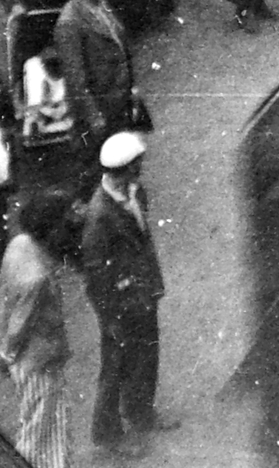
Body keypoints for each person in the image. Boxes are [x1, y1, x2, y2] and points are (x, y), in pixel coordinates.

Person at [80, 132, 178, 458]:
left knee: (147, 353)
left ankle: (141, 412)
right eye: (137, 166)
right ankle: (108, 434)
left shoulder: (134, 194)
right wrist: (108, 318)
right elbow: (96, 277)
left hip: (142, 294)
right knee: (116, 366)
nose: (141, 171)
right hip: (119, 305)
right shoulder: (99, 218)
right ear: (123, 170)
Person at [0, 191, 73, 468]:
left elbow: (6, 303)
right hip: (39, 363)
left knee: (51, 426)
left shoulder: (18, 245)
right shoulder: (37, 278)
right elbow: (20, 323)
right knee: (39, 432)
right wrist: (6, 353)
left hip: (26, 363)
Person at [53, 0, 137, 168]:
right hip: (100, 108)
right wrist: (94, 116)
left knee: (124, 161)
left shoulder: (100, 5)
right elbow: (75, 77)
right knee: (100, 165)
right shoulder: (69, 22)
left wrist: (133, 87)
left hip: (119, 98)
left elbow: (121, 46)